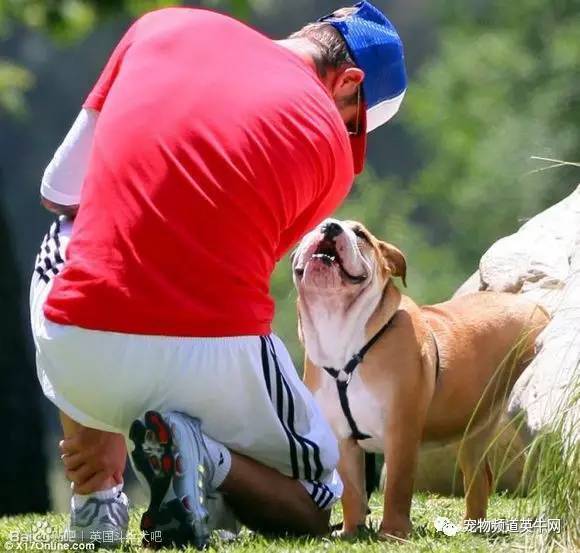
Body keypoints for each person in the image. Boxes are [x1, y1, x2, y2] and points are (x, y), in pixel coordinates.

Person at [31, 1, 406, 548]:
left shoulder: (162, 24)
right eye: (354, 120)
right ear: (348, 82)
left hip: (83, 343)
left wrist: (98, 406)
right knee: (315, 501)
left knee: (66, 237)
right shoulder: (330, 152)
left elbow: (58, 192)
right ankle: (203, 455)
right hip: (213, 350)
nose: (345, 133)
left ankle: (97, 500)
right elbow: (224, 261)